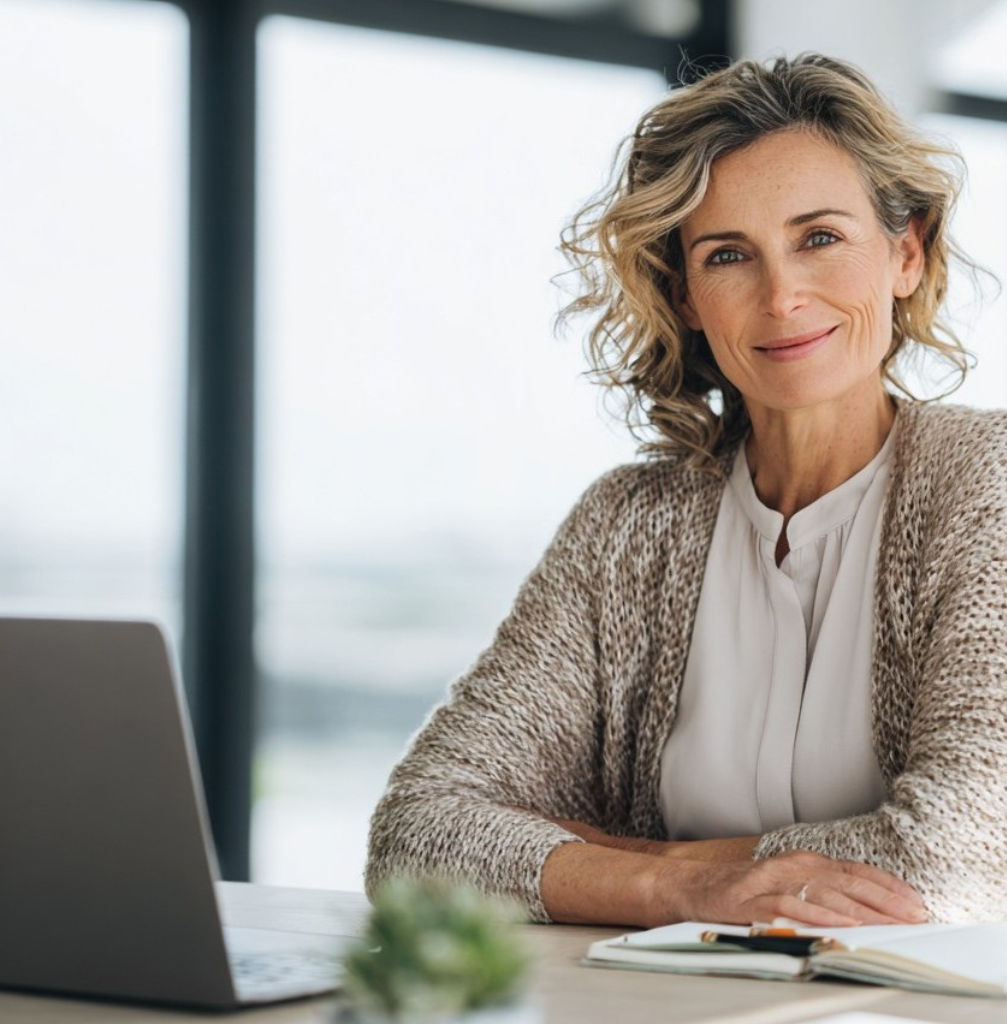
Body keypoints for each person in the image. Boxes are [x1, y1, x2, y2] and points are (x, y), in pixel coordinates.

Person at [365, 53, 1007, 927]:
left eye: (819, 238)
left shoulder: (988, 486)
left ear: (905, 252)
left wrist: (610, 859)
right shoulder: (624, 527)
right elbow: (416, 836)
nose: (782, 297)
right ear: (688, 297)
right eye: (729, 255)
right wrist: (677, 887)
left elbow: (952, 862)